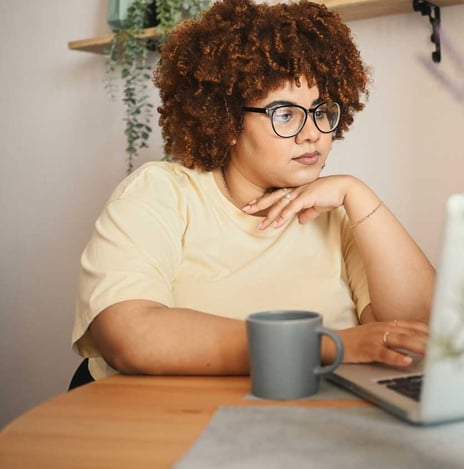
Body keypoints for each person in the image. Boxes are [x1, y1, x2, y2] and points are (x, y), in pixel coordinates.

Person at [71, 0, 435, 382]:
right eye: (285, 113)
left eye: (322, 111)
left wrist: (359, 194)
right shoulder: (160, 194)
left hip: (310, 421)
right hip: (172, 425)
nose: (313, 132)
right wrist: (330, 344)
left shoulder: (339, 212)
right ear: (226, 119)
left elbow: (414, 333)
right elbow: (130, 334)